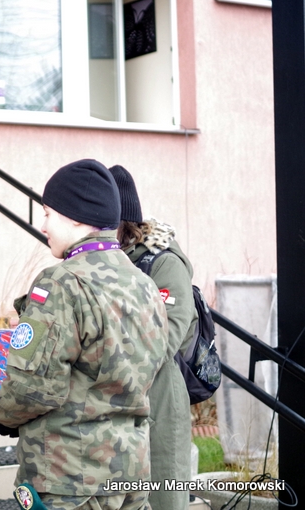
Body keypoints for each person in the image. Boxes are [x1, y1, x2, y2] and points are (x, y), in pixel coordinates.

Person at [0, 159, 168, 510]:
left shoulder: (62, 282)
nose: (43, 225)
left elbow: (34, 386)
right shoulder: (143, 283)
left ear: (75, 217)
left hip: (71, 476)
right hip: (130, 471)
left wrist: (0, 411)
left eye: (48, 214)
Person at [110, 164, 197, 510]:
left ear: (123, 221)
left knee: (163, 498)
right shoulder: (104, 261)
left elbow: (167, 338)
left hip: (159, 403)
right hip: (115, 404)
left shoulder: (163, 263)